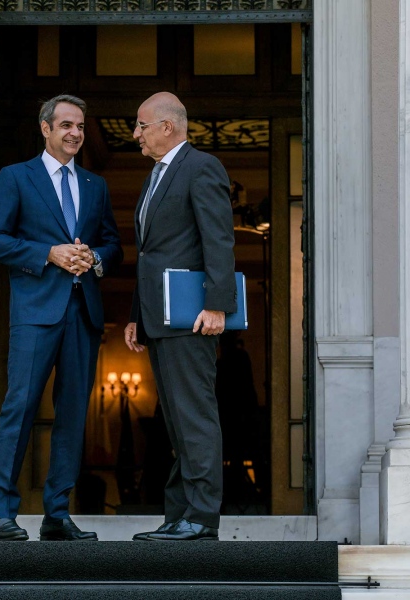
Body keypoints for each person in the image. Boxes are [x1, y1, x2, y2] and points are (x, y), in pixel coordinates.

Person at [0, 94, 122, 542]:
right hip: (35, 313)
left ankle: (57, 514)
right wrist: (49, 253)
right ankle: (2, 513)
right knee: (20, 407)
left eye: (80, 126)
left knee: (73, 414)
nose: (75, 133)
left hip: (83, 313)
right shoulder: (16, 177)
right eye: (66, 125)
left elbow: (114, 245)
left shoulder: (96, 186)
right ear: (46, 129)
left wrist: (94, 257)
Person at [124, 92, 236, 541]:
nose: (136, 134)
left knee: (194, 417)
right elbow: (149, 254)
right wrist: (136, 315)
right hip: (160, 319)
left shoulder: (201, 167)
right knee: (175, 421)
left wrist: (218, 305)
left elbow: (218, 238)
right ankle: (179, 515)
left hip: (192, 317)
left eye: (141, 125)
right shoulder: (155, 175)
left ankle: (202, 517)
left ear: (167, 127)